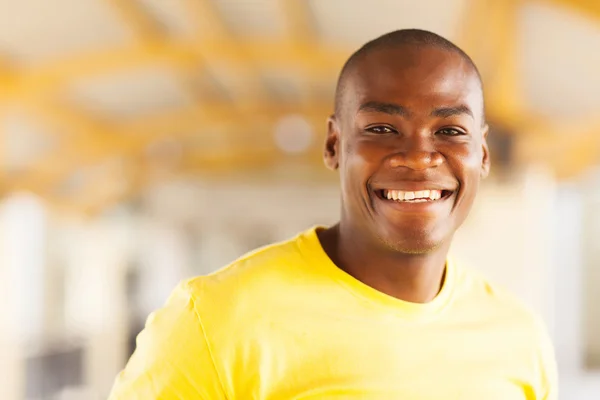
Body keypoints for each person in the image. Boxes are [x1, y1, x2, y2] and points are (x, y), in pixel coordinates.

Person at [108, 29, 558, 399]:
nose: (420, 157)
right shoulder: (212, 322)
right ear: (334, 146)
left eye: (449, 130)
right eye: (382, 128)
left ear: (481, 154)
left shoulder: (520, 338)